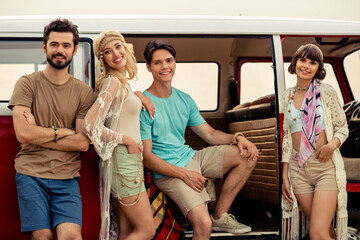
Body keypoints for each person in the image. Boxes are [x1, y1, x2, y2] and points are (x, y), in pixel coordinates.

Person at [139, 39, 258, 239]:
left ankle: (220, 216)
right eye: (158, 62)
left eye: (169, 60)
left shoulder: (184, 99)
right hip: (168, 171)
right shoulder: (144, 105)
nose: (165, 66)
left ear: (175, 63)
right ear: (149, 67)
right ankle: (211, 220)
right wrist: (186, 175)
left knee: (247, 155)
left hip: (192, 157)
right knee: (203, 225)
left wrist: (238, 138)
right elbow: (148, 158)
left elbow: (210, 134)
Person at [8, 19, 94, 239]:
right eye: (54, 44)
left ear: (75, 50)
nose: (60, 50)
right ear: (44, 46)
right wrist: (61, 131)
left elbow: (83, 143)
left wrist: (39, 132)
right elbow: (23, 134)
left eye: (66, 46)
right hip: (30, 173)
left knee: (72, 236)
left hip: (67, 176)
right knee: (42, 236)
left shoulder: (84, 92)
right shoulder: (27, 83)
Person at [82, 30, 155, 240]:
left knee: (126, 231)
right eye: (107, 51)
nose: (115, 53)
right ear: (102, 59)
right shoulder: (112, 82)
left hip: (128, 162)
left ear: (125, 48)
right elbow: (90, 125)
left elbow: (121, 110)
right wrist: (127, 140)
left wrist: (139, 95)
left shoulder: (121, 82)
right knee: (146, 230)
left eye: (118, 46)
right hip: (123, 162)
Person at [281, 44, 349, 240]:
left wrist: (331, 146)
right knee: (325, 230)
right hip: (298, 170)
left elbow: (342, 127)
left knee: (317, 233)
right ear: (295, 63)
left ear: (318, 68)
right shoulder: (287, 95)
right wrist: (285, 174)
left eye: (313, 62)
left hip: (324, 167)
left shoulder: (326, 92)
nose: (306, 66)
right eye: (302, 60)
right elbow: (287, 137)